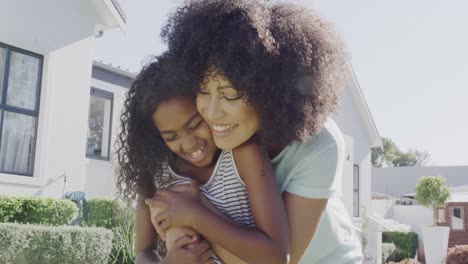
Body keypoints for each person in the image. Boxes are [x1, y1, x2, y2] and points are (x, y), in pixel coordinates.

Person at [149, 1, 363, 263]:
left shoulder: (321, 142)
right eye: (203, 91)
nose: (212, 112)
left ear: (269, 90)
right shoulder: (208, 137)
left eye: (230, 94)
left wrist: (193, 211)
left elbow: (280, 259)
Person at [115, 52, 289, 264]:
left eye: (195, 124)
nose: (189, 144)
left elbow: (277, 257)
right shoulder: (155, 171)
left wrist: (193, 214)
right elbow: (143, 252)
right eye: (171, 137)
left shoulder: (243, 153)